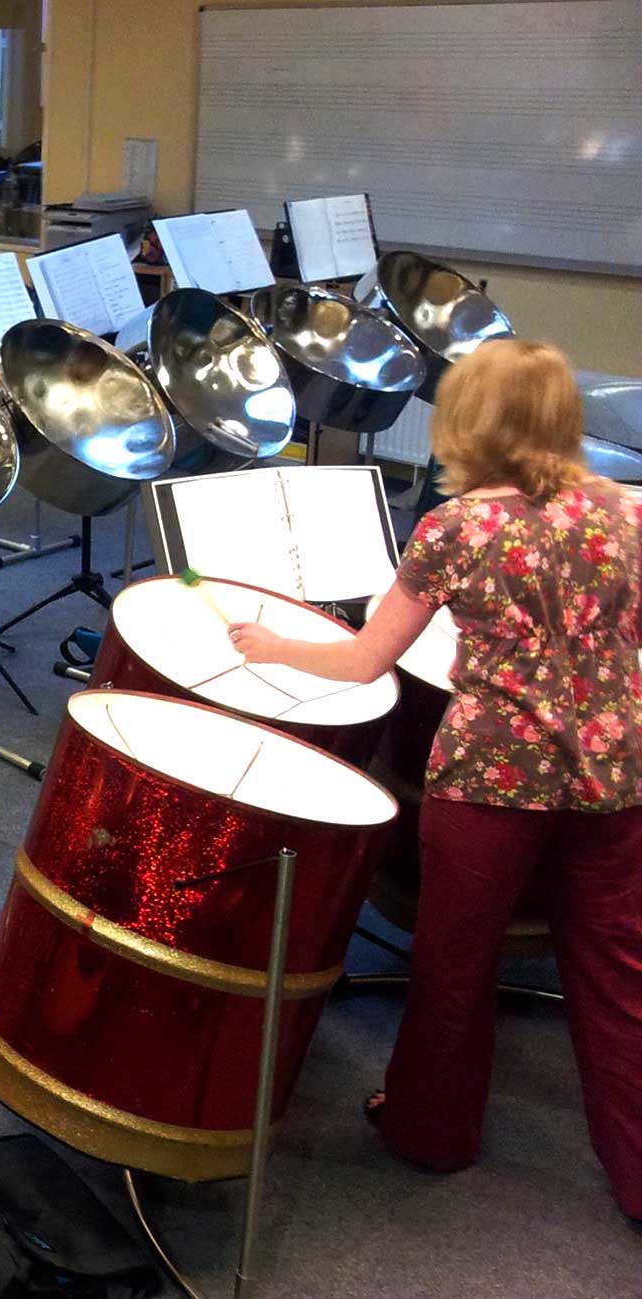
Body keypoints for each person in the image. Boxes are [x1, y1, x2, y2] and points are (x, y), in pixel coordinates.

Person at [226, 339, 642, 1221]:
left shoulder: (456, 528)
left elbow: (364, 660)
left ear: (470, 421)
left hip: (492, 780)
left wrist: (272, 644)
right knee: (618, 975)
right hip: (616, 774)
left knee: (455, 964)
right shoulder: (622, 512)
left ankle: (431, 1130)